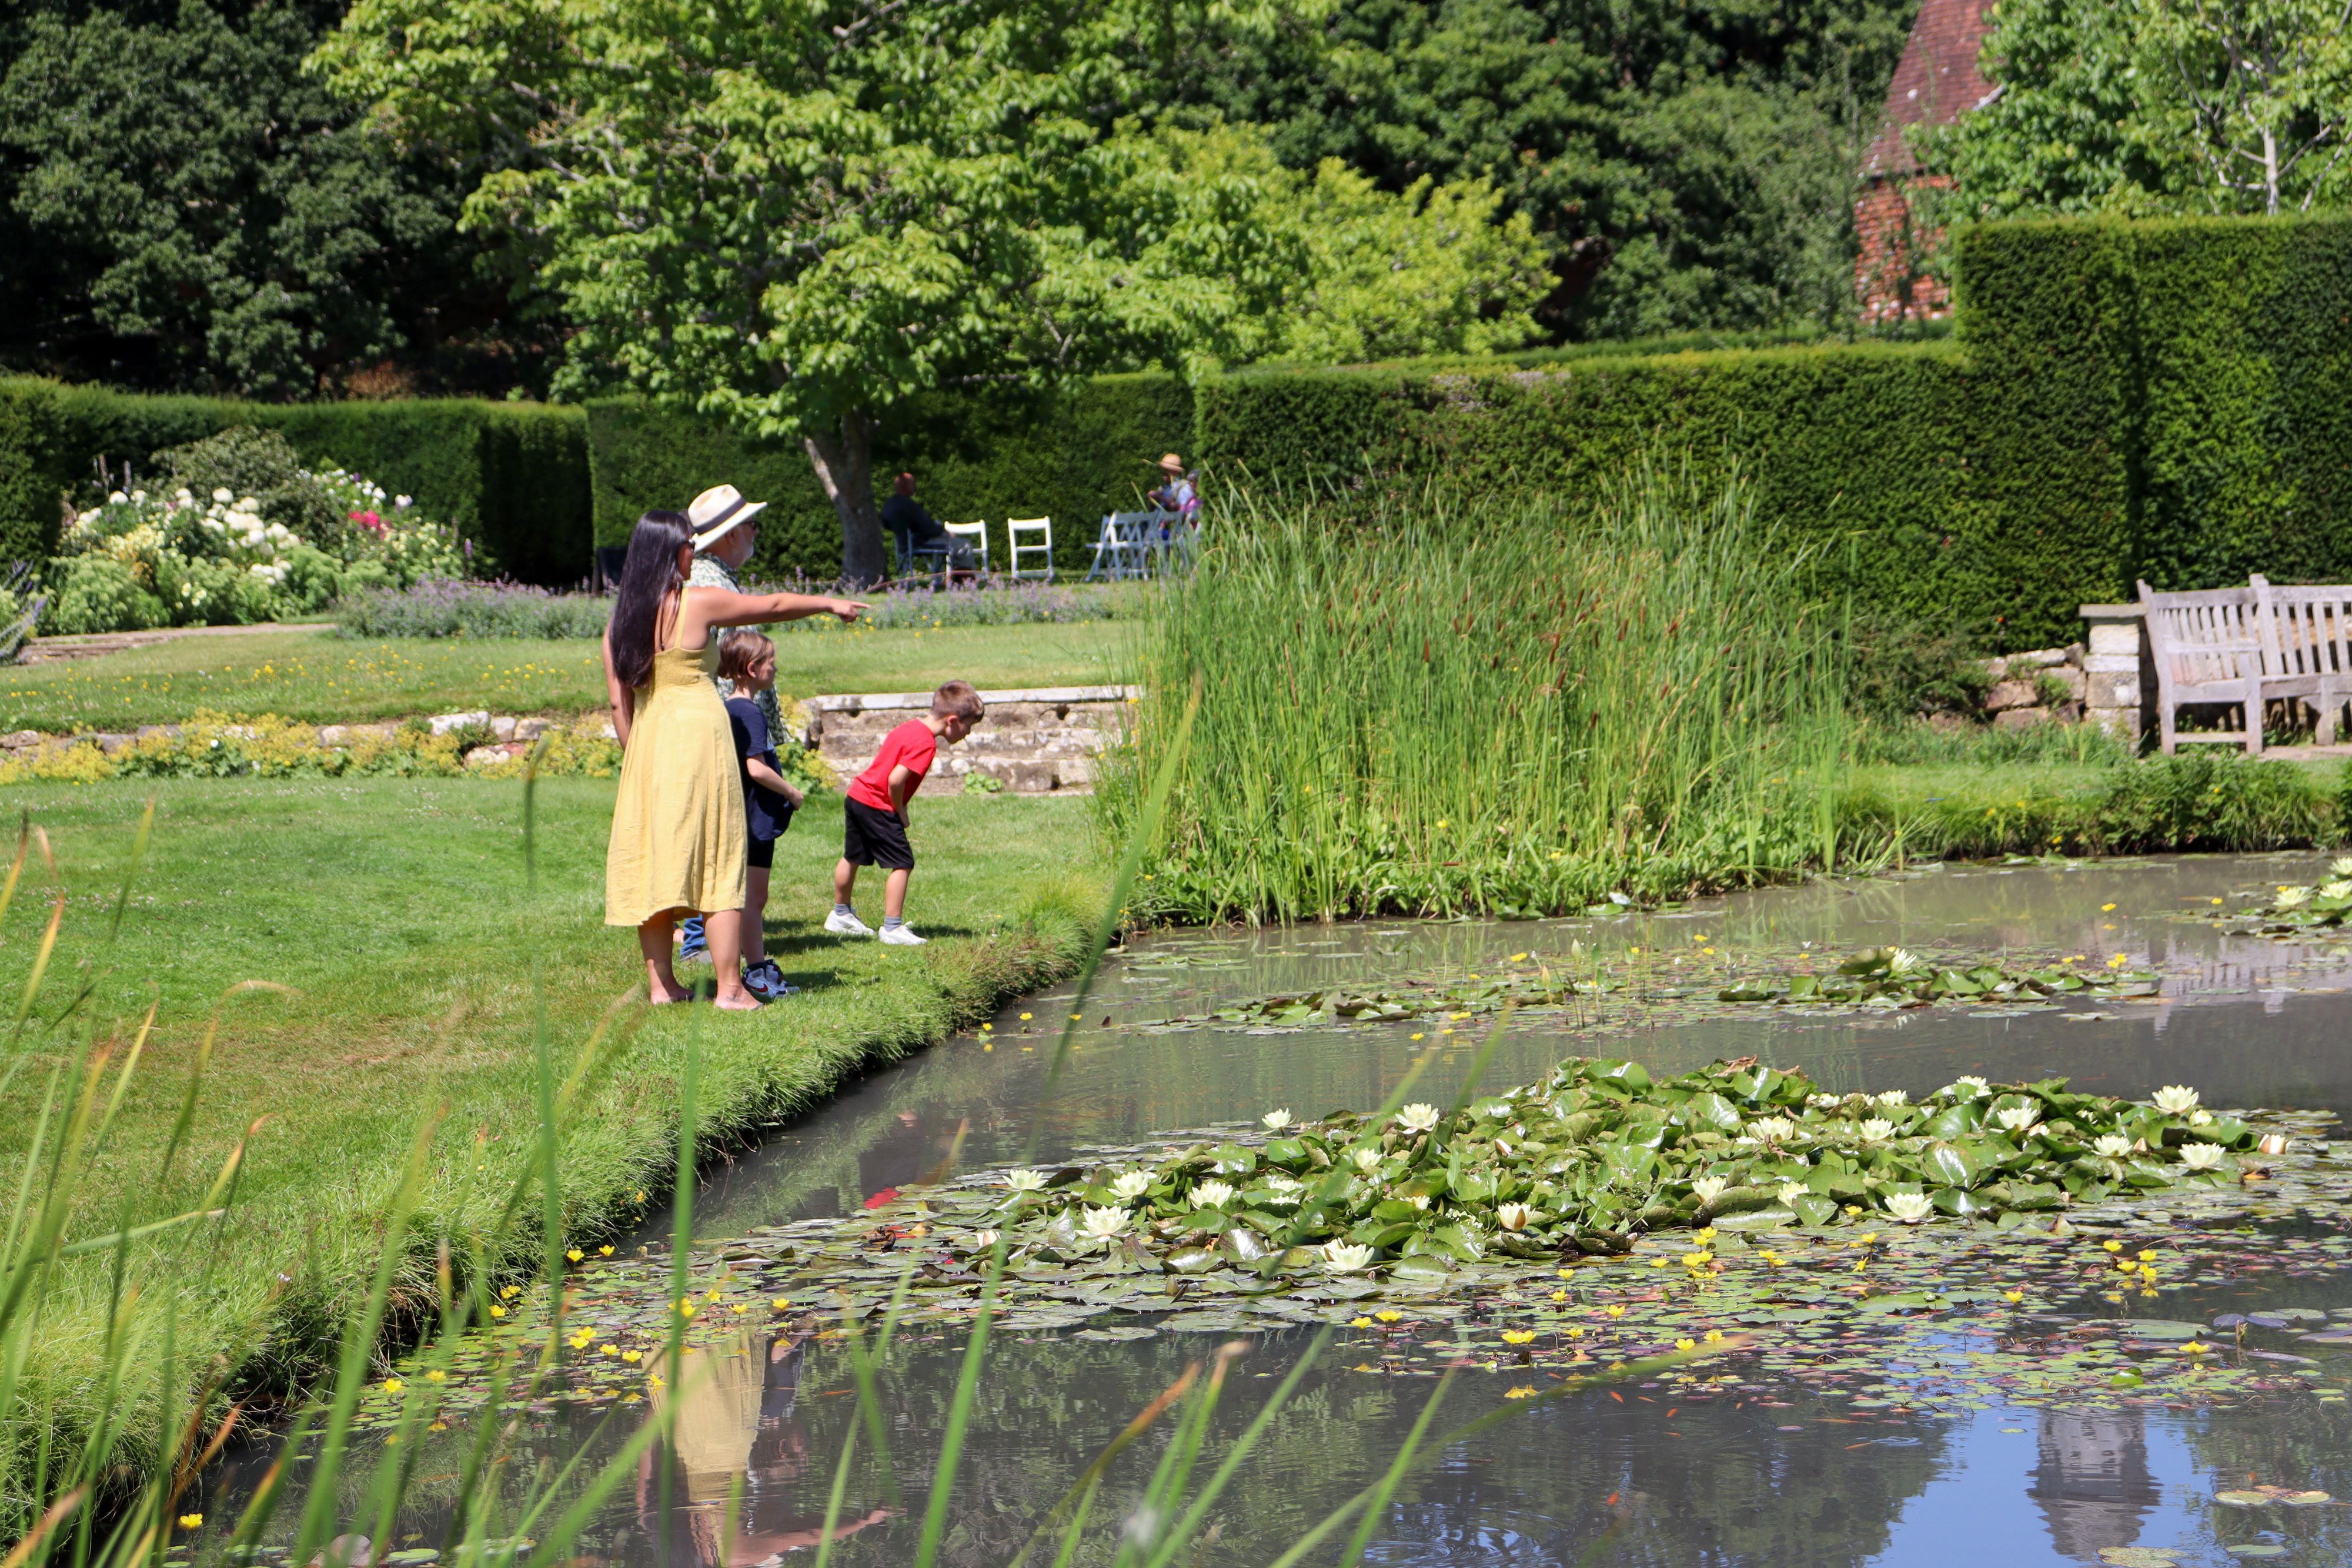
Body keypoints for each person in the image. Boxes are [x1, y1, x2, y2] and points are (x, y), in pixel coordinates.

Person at [603, 510, 864, 1008]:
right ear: (668, 551)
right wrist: (828, 603)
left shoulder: (619, 622)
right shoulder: (693, 603)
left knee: (655, 862)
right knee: (721, 859)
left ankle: (664, 988)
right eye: (687, 545)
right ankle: (729, 989)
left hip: (647, 748)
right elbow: (771, 604)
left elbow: (620, 704)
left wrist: (636, 757)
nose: (693, 554)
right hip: (700, 742)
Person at [679, 482, 789, 966]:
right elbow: (717, 667)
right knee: (726, 831)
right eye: (747, 525)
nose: (754, 532)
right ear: (724, 536)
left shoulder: (712, 574)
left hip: (732, 729)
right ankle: (699, 937)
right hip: (732, 734)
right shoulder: (713, 583)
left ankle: (706, 932)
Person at [825, 681, 985, 947]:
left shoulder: (911, 727)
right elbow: (896, 780)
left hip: (857, 796)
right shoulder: (926, 744)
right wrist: (900, 809)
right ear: (953, 721)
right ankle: (892, 928)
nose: (968, 733)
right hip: (878, 804)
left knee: (852, 855)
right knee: (903, 862)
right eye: (969, 726)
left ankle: (840, 914)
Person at [717, 628, 803, 1002]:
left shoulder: (730, 709)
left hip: (741, 816)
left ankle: (754, 967)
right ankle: (757, 973)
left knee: (749, 897)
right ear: (752, 668)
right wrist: (790, 791)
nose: (776, 668)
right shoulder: (749, 712)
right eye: (771, 663)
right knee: (754, 898)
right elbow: (756, 768)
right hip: (754, 818)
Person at [878, 472, 973, 577]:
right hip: (919, 543)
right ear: (905, 487)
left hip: (903, 545)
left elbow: (885, 524)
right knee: (964, 544)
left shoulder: (890, 505)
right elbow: (928, 528)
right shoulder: (909, 505)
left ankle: (952, 577)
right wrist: (944, 531)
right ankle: (964, 579)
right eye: (913, 484)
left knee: (953, 542)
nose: (915, 487)